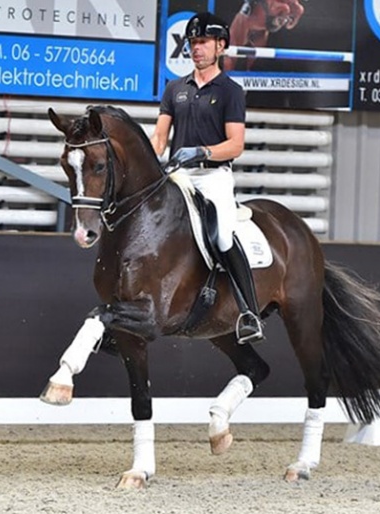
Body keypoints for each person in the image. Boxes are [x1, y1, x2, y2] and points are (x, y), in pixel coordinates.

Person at [150, 11, 264, 345]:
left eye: (202, 42)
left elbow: (236, 145)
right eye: (192, 43)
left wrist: (201, 152)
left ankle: (249, 312)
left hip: (212, 177)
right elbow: (160, 137)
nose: (195, 49)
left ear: (220, 46)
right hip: (179, 175)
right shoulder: (175, 88)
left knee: (223, 237)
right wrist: (146, 154)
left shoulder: (230, 91)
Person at [224, 0, 305, 71]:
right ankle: (221, 81)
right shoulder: (282, 6)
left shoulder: (295, 7)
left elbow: (288, 27)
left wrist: (286, 20)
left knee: (253, 57)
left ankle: (246, 78)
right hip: (245, 22)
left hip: (262, 30)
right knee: (230, 56)